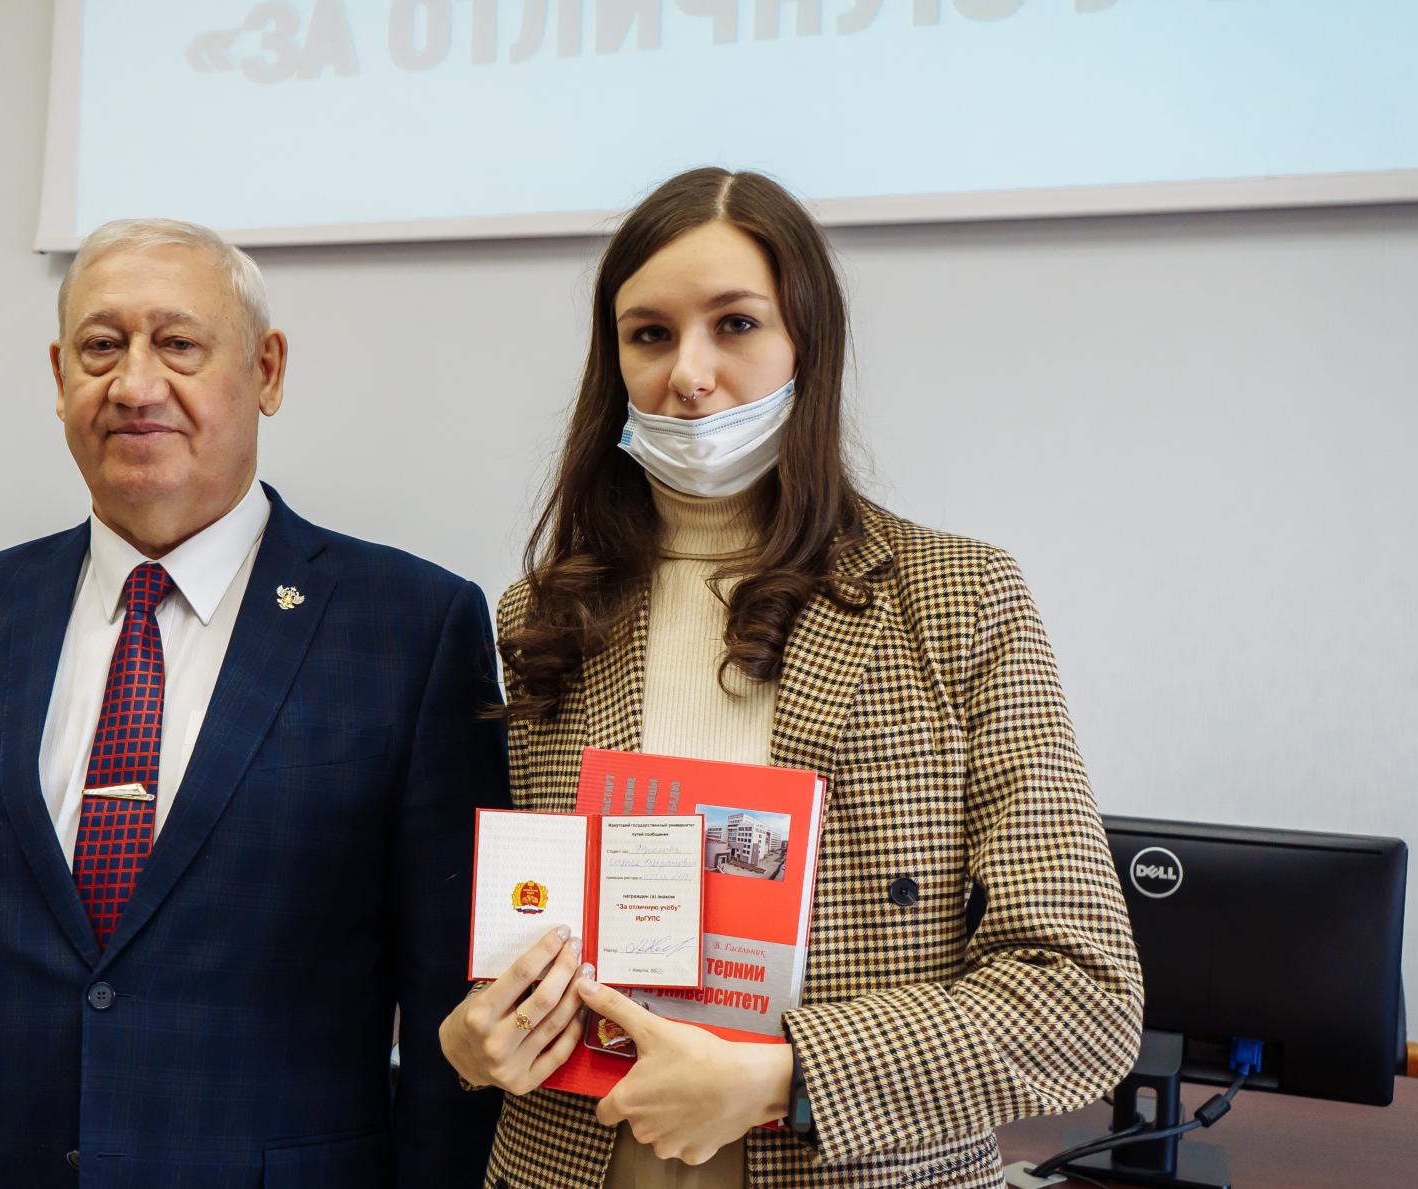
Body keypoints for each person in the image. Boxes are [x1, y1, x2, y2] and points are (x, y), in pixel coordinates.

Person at [440, 169, 1143, 1189]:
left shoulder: (956, 600)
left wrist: (786, 1076)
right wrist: (472, 1039)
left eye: (735, 324)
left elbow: (1082, 999)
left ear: (807, 342)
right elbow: (510, 935)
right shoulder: (542, 615)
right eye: (649, 334)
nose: (689, 373)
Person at [0, 219, 507, 1188]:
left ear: (266, 370)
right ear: (60, 376)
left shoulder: (410, 629)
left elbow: (454, 1009)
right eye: (101, 347)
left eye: (179, 343)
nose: (135, 384)